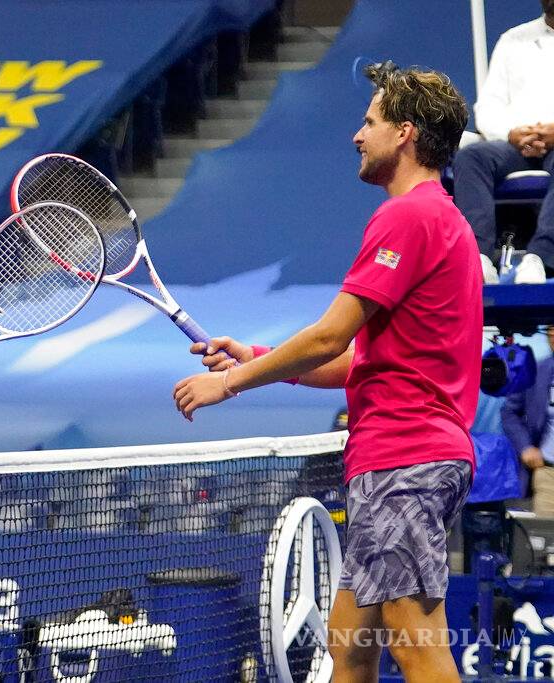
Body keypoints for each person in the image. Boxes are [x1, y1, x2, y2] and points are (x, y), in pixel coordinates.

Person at [173, 65, 479, 682]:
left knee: (420, 651)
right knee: (349, 647)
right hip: (398, 460)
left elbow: (328, 335)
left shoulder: (408, 217)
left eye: (370, 122)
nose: (356, 135)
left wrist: (228, 384)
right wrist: (259, 359)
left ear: (406, 133)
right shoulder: (443, 219)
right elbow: (356, 358)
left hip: (405, 461)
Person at [452, 0, 554, 285]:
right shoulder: (513, 41)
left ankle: (539, 257)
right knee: (471, 157)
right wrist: (512, 133)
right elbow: (488, 107)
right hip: (516, 144)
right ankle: (480, 258)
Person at [501, 326, 554, 516]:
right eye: (550, 329)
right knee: (546, 541)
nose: (552, 334)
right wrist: (525, 446)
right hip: (548, 475)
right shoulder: (535, 372)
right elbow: (509, 412)